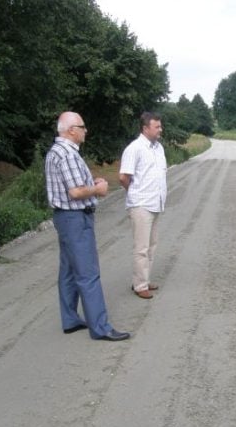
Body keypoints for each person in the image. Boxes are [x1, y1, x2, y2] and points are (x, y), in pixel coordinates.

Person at [44, 111, 130, 341]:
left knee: (69, 271)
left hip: (64, 218)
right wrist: (98, 189)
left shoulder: (56, 151)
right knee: (88, 273)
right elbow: (75, 192)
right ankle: (101, 328)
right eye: (82, 126)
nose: (86, 130)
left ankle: (70, 319)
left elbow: (69, 185)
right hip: (75, 218)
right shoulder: (69, 154)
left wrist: (92, 182)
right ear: (72, 130)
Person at [119, 112, 168, 300]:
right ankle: (139, 286)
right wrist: (134, 193)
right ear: (145, 128)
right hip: (141, 204)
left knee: (151, 246)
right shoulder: (135, 148)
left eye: (160, 126)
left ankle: (144, 280)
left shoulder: (158, 148)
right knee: (141, 247)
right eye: (157, 127)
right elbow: (123, 177)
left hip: (155, 203)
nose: (160, 130)